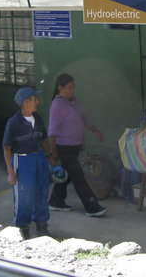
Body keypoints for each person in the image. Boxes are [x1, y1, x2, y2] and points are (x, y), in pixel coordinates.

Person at [47, 73, 107, 217]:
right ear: (60, 88)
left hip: (75, 146)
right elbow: (52, 130)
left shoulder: (73, 101)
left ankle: (55, 201)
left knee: (67, 175)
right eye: (69, 87)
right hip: (64, 147)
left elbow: (85, 118)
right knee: (79, 177)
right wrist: (53, 151)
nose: (72, 90)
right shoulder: (57, 104)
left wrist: (96, 131)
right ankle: (91, 207)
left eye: (73, 87)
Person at [2, 86, 57, 239]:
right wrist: (10, 172)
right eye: (34, 99)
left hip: (38, 158)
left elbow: (42, 140)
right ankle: (22, 226)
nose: (37, 102)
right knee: (24, 195)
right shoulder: (13, 123)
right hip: (22, 160)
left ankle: (42, 224)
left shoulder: (37, 118)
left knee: (42, 191)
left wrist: (49, 156)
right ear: (26, 102)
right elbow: (6, 148)